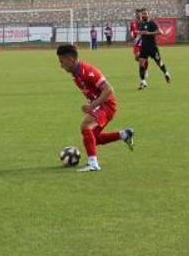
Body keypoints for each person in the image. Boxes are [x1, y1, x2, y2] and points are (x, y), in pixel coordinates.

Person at [56, 44, 134, 172]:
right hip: (100, 105)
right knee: (92, 139)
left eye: (61, 61)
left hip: (107, 105)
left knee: (85, 126)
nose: (61, 65)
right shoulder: (76, 74)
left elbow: (109, 89)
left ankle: (93, 163)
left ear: (70, 59)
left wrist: (92, 105)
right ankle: (124, 134)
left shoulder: (87, 71)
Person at [137, 9, 171, 90]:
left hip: (152, 47)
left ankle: (166, 73)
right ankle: (143, 81)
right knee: (141, 63)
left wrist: (149, 33)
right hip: (144, 47)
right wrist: (139, 36)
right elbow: (141, 34)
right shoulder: (141, 24)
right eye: (142, 14)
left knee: (159, 62)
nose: (143, 15)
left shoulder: (152, 23)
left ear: (148, 15)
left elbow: (160, 32)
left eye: (145, 14)